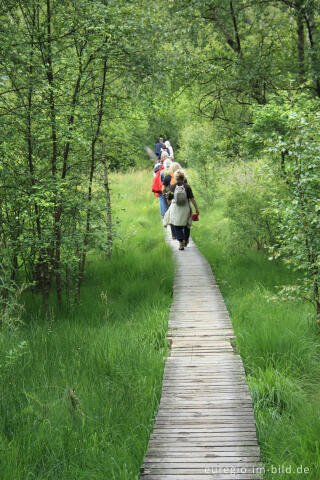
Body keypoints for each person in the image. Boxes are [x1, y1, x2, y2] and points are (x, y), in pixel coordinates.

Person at [163, 169, 199, 250]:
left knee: (176, 226)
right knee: (187, 225)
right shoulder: (187, 187)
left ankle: (181, 242)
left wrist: (169, 200)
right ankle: (186, 239)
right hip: (185, 208)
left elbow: (169, 200)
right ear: (183, 177)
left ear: (175, 178)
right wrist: (196, 209)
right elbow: (192, 199)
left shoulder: (172, 187)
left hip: (176, 208)